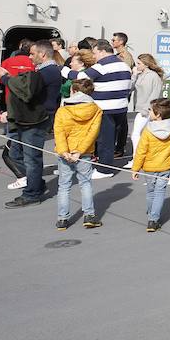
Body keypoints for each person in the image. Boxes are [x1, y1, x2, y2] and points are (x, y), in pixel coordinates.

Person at [0, 40, 61, 207]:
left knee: (32, 158)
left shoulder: (48, 73)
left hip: (36, 120)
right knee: (14, 153)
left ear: (43, 54)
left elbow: (26, 90)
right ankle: (36, 184)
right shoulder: (43, 72)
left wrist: (5, 78)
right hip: (28, 118)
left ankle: (32, 194)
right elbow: (25, 86)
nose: (30, 57)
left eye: (32, 54)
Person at [131, 98, 170, 232]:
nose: (149, 112)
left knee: (150, 192)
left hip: (149, 167)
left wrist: (135, 168)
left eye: (151, 110)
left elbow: (141, 151)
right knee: (159, 192)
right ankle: (153, 220)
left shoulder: (147, 130)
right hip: (165, 166)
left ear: (158, 115)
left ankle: (151, 213)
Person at [53, 79, 102, 230]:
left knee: (64, 186)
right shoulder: (96, 110)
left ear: (73, 91)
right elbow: (92, 134)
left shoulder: (62, 110)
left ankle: (62, 219)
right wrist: (80, 151)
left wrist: (64, 151)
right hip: (84, 153)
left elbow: (59, 132)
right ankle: (89, 216)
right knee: (85, 183)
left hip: (65, 153)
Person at [80, 39, 133, 177]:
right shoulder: (124, 65)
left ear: (103, 52)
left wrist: (64, 70)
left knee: (105, 140)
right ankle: (104, 164)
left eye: (95, 53)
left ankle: (105, 169)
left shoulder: (101, 66)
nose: (94, 56)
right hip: (121, 108)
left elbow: (81, 77)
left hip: (105, 108)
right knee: (111, 138)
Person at [129, 54, 165, 153]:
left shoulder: (154, 76)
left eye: (139, 63)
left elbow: (155, 94)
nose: (137, 66)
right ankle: (143, 155)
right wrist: (134, 75)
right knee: (145, 133)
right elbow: (130, 88)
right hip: (141, 108)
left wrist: (147, 109)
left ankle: (136, 158)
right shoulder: (139, 75)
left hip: (146, 110)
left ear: (146, 64)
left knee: (135, 134)